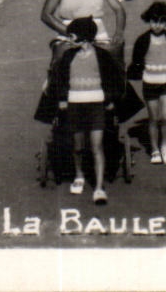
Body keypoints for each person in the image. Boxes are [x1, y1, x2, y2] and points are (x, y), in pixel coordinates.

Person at [47, 17, 125, 204]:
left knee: (97, 146)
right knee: (78, 146)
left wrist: (110, 99)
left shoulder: (102, 56)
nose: (69, 38)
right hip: (75, 105)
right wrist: (62, 99)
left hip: (96, 105)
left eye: (71, 35)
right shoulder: (68, 56)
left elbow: (114, 79)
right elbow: (59, 80)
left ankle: (99, 188)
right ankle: (79, 175)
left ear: (81, 36)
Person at [127, 2, 166, 165]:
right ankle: (154, 149)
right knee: (153, 118)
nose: (157, 25)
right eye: (153, 21)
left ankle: (164, 146)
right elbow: (137, 61)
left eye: (161, 21)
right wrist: (136, 73)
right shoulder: (143, 40)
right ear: (148, 20)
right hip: (150, 83)